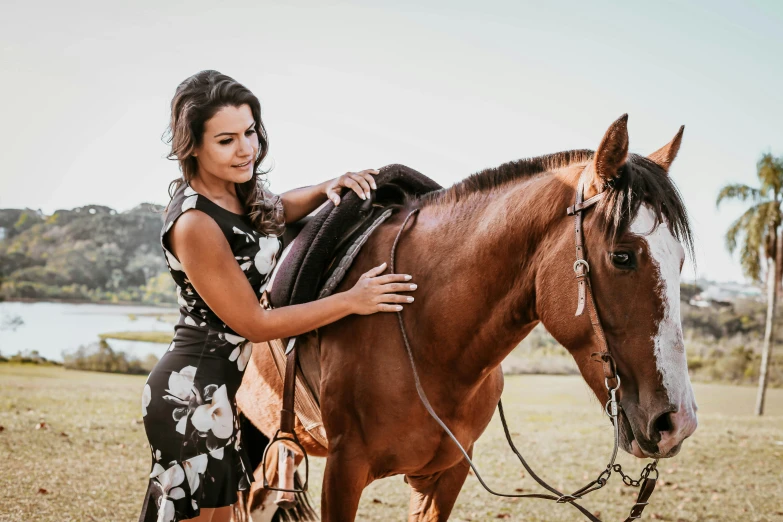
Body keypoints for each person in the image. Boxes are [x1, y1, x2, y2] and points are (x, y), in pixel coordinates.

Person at [138, 70, 417, 522]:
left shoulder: (234, 194)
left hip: (222, 395)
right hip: (188, 396)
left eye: (249, 132)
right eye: (226, 140)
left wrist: (331, 187)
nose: (245, 148)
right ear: (193, 145)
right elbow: (256, 324)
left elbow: (278, 208)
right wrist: (352, 300)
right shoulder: (194, 224)